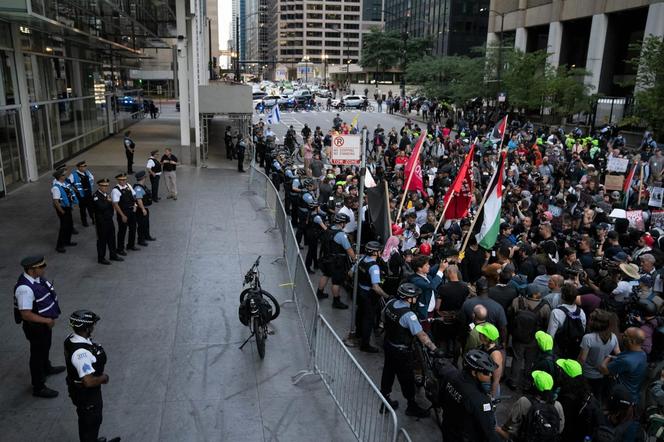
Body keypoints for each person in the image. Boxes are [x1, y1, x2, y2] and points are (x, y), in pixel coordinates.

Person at [380, 283, 443, 418]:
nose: (416, 299)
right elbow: (421, 335)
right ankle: (411, 406)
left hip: (388, 344)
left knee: (388, 372)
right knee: (407, 379)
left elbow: (383, 318)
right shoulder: (409, 315)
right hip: (401, 352)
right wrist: (435, 349)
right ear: (409, 299)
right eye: (415, 297)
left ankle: (385, 401)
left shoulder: (390, 303)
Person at [64, 310, 120, 442]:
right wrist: (103, 378)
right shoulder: (81, 353)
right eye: (93, 325)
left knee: (87, 422)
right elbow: (88, 381)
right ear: (87, 328)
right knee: (92, 421)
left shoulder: (70, 338)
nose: (94, 327)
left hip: (78, 390)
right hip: (87, 395)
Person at [13, 255, 64, 398]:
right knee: (36, 354)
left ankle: (46, 368)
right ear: (31, 270)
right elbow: (26, 314)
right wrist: (46, 321)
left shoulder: (37, 279)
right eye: (41, 267)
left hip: (43, 323)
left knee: (46, 346)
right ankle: (38, 386)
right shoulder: (25, 289)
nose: (44, 268)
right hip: (35, 327)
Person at [436, 349, 501, 442]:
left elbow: (440, 400)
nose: (490, 375)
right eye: (486, 372)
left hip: (447, 429)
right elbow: (489, 432)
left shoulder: (450, 375)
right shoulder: (480, 400)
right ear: (474, 373)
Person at [496, 370, 565, 441]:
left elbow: (511, 423)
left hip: (526, 438)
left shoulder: (524, 401)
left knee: (496, 429)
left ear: (534, 385)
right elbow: (560, 428)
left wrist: (503, 428)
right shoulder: (557, 405)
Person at [354, 241, 390, 353]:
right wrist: (386, 296)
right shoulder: (374, 267)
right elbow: (375, 287)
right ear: (375, 252)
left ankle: (358, 334)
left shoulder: (362, 259)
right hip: (369, 296)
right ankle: (365, 344)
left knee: (360, 313)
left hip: (360, 292)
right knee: (368, 320)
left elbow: (351, 273)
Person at [599, 327, 647, 404]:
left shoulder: (626, 361)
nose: (621, 336)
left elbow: (603, 370)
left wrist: (608, 357)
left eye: (625, 335)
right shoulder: (642, 353)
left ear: (632, 341)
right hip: (634, 393)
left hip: (622, 397)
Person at [317, 212, 352, 309]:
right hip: (337, 262)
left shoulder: (329, 229)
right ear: (342, 223)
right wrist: (354, 258)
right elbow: (349, 250)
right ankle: (336, 301)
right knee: (336, 282)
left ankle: (319, 292)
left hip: (327, 258)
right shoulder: (341, 235)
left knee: (326, 275)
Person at [547, 282, 587, 359]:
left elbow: (550, 335)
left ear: (562, 296)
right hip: (575, 349)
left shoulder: (556, 312)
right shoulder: (581, 312)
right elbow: (583, 329)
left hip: (559, 350)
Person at [92, 178, 124, 265]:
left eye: (107, 186)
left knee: (112, 238)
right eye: (103, 186)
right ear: (99, 186)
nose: (105, 187)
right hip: (101, 222)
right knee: (102, 240)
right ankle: (101, 258)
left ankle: (113, 255)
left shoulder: (106, 195)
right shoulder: (96, 196)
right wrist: (109, 202)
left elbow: (111, 206)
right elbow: (101, 207)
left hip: (109, 220)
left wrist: (110, 203)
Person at [52, 168, 78, 253]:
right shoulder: (56, 187)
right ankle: (59, 246)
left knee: (69, 225)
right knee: (64, 227)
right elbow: (56, 201)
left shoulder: (64, 184)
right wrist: (61, 211)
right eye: (63, 175)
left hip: (67, 207)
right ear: (59, 177)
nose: (65, 176)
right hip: (62, 209)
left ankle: (67, 241)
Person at [111, 173, 138, 255]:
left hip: (131, 211)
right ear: (118, 180)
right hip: (123, 212)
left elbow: (134, 195)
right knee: (122, 231)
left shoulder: (128, 186)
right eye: (121, 180)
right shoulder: (115, 190)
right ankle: (120, 248)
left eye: (124, 179)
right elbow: (115, 204)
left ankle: (130, 245)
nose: (123, 181)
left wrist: (135, 205)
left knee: (133, 228)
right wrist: (122, 215)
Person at [69, 161, 95, 227]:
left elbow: (92, 179)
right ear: (78, 167)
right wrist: (74, 189)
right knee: (83, 209)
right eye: (82, 166)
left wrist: (90, 188)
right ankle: (84, 222)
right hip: (81, 195)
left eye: (85, 166)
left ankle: (93, 219)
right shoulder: (73, 174)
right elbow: (68, 183)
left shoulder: (87, 172)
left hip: (88, 193)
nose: (84, 168)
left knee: (91, 207)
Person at [133, 171, 154, 246]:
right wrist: (143, 209)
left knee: (146, 223)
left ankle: (147, 236)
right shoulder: (138, 188)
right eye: (145, 177)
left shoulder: (142, 186)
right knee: (141, 225)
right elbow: (139, 200)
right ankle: (141, 240)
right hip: (141, 209)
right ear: (143, 178)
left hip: (145, 208)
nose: (146, 178)